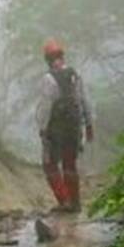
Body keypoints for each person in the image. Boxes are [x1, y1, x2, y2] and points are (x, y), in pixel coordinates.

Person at [35, 39, 94, 212]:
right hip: (74, 127)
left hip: (55, 128)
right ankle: (75, 203)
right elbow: (84, 100)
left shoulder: (48, 78)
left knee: (50, 165)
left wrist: (42, 129)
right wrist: (89, 124)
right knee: (70, 164)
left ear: (47, 59)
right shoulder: (75, 75)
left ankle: (64, 201)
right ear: (62, 56)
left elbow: (45, 106)